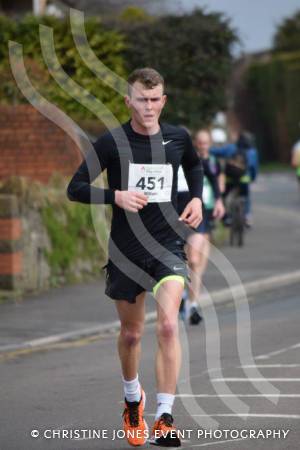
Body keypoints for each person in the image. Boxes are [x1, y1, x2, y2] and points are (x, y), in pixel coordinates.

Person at [66, 67, 203, 447]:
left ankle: (164, 417)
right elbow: (74, 188)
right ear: (128, 102)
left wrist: (196, 197)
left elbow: (194, 165)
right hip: (126, 252)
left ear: (164, 101)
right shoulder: (112, 143)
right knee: (131, 334)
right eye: (141, 99)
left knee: (169, 326)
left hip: (167, 247)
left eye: (155, 99)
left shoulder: (178, 138)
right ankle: (132, 399)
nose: (148, 106)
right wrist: (116, 197)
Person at [177, 129, 225, 325]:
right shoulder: (166, 162)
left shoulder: (199, 161)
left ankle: (193, 304)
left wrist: (220, 201)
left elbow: (214, 179)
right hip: (173, 214)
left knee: (195, 260)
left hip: (198, 212)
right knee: (178, 259)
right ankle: (180, 297)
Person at [210, 131, 258, 227]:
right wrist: (252, 178)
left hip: (230, 179)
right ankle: (247, 216)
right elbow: (253, 168)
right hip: (244, 179)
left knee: (224, 196)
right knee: (245, 196)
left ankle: (227, 217)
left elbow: (215, 152)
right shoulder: (252, 152)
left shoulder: (231, 148)